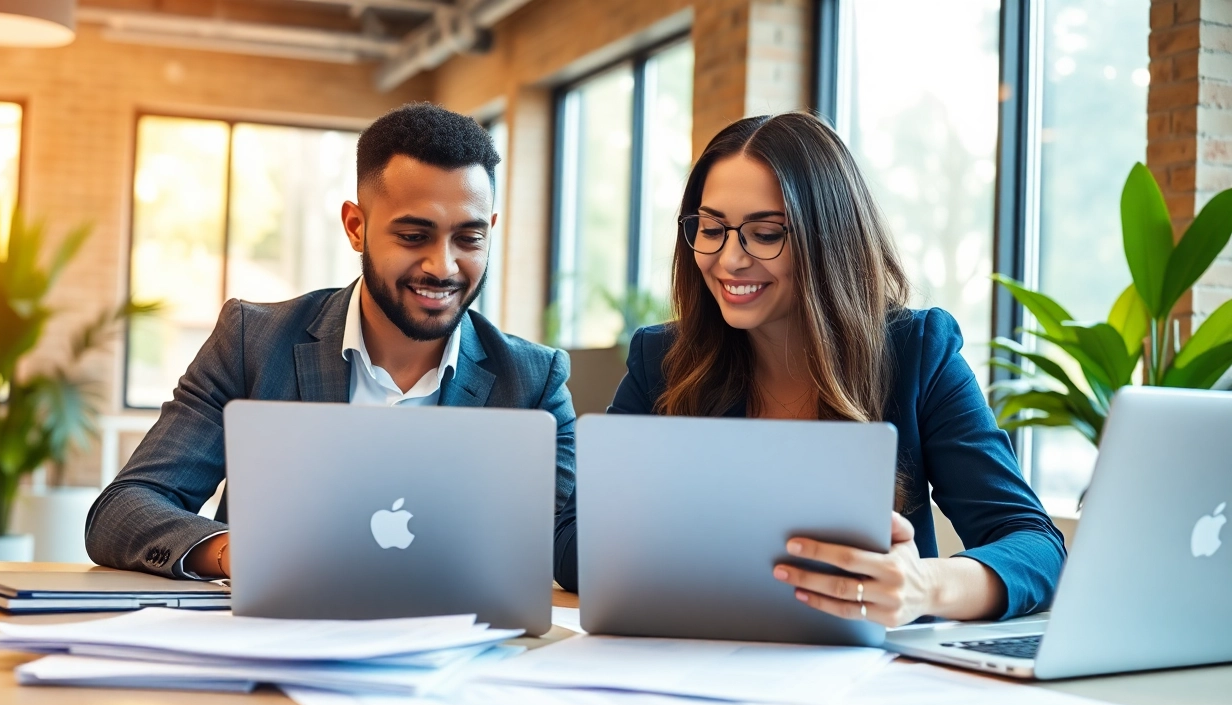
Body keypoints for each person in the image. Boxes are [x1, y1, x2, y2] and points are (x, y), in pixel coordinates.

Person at [553, 112, 1065, 626]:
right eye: (711, 228)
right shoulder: (662, 360)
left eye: (766, 233)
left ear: (830, 237)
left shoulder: (917, 352)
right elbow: (573, 541)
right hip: (697, 658)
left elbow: (1035, 545)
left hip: (871, 680)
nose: (730, 258)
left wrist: (924, 587)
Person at [87, 103, 576, 579]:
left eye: (468, 239)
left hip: (465, 647)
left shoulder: (533, 381)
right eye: (412, 236)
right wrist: (237, 552)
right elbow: (123, 509)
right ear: (356, 227)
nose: (442, 266)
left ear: (489, 232)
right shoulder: (252, 342)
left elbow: (569, 540)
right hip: (279, 645)